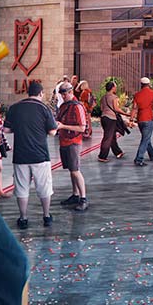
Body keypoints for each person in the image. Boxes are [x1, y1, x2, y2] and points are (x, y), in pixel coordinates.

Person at [7, 80, 58, 229]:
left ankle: (23, 218)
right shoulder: (44, 108)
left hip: (20, 155)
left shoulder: (15, 108)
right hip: (40, 155)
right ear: (41, 93)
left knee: (22, 188)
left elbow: (6, 130)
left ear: (28, 92)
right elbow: (52, 132)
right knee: (44, 187)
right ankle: (46, 216)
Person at [55, 82, 91, 212]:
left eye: (64, 94)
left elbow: (82, 127)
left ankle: (83, 198)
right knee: (71, 170)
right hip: (64, 140)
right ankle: (76, 195)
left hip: (73, 141)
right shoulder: (64, 106)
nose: (63, 97)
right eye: (62, 94)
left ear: (70, 92)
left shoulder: (77, 107)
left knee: (75, 170)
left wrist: (63, 126)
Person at [133, 77, 153, 166]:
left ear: (141, 84)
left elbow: (134, 108)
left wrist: (131, 119)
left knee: (146, 138)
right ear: (149, 84)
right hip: (149, 118)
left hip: (140, 119)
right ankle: (139, 159)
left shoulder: (137, 95)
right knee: (145, 139)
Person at [99, 80, 129, 161]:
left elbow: (102, 108)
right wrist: (126, 114)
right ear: (112, 88)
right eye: (115, 87)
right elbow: (116, 109)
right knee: (108, 137)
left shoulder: (103, 97)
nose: (116, 88)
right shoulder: (114, 97)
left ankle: (118, 152)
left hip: (103, 118)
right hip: (111, 118)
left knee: (112, 136)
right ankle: (102, 156)